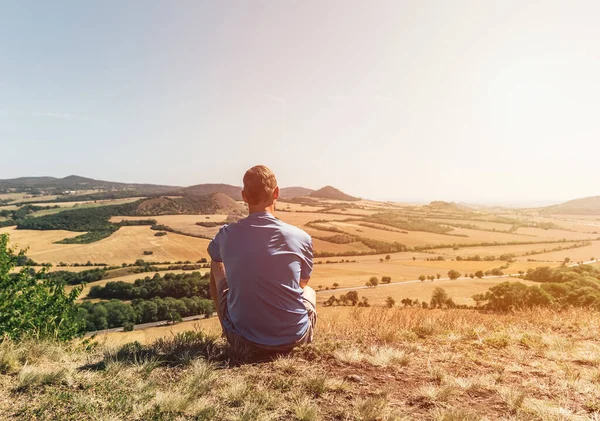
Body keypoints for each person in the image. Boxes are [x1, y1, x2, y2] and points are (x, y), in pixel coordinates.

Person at [207, 165, 316, 360]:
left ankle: (226, 328)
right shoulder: (301, 237)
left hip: (242, 340)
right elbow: (302, 284)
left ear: (244, 196)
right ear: (276, 193)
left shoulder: (225, 235)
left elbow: (216, 258)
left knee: (216, 262)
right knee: (310, 292)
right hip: (295, 339)